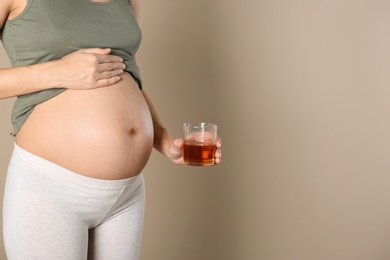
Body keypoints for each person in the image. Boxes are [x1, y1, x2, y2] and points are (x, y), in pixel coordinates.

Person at [0, 0, 222, 259]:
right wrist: (58, 72)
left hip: (125, 196)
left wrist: (165, 142)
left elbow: (126, 73)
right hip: (51, 188)